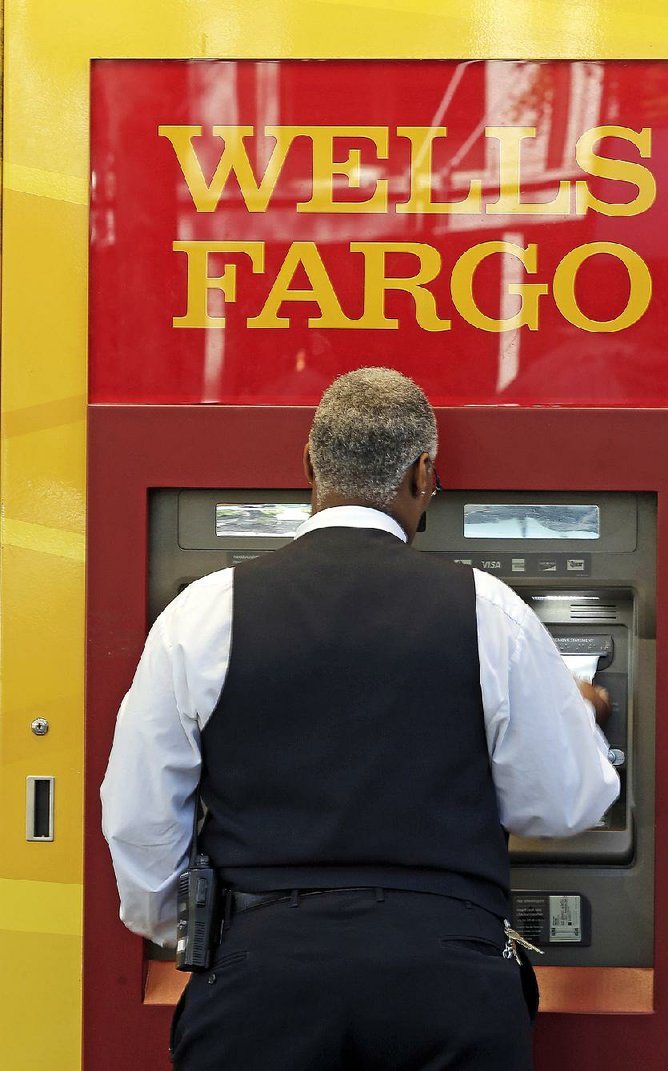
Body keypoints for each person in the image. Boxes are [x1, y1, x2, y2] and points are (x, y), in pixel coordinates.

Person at [101, 367, 619, 1071]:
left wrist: (202, 933)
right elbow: (564, 804)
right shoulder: (489, 610)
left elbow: (138, 816)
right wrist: (576, 715)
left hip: (260, 981)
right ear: (423, 473)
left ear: (309, 465)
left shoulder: (203, 611)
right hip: (447, 983)